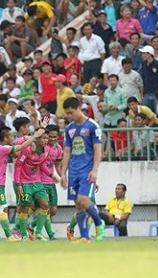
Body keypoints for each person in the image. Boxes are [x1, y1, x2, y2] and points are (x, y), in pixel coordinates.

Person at [0, 127, 46, 242]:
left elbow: (20, 153)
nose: (13, 138)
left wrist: (29, 139)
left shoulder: (2, 149)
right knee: (3, 208)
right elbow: (21, 147)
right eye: (11, 136)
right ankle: (9, 235)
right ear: (5, 138)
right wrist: (35, 136)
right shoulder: (3, 148)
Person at [60, 97, 105, 242]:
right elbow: (67, 151)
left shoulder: (92, 126)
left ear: (79, 108)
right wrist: (63, 174)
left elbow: (98, 149)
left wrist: (95, 170)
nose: (69, 116)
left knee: (83, 199)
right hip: (73, 171)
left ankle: (99, 222)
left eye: (71, 112)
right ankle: (85, 236)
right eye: (67, 113)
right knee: (78, 205)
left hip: (87, 170)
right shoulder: (69, 129)